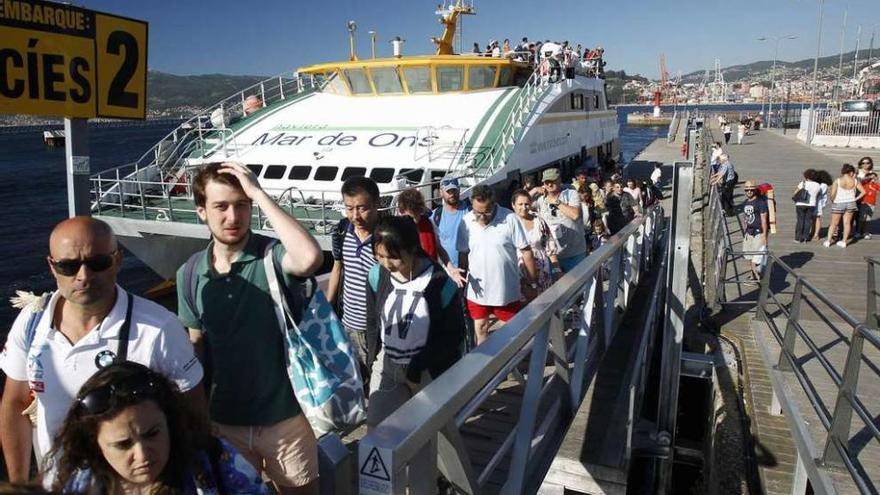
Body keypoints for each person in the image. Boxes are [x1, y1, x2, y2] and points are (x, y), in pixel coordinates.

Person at [1, 217, 205, 484]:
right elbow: (16, 403)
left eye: (97, 263)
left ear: (118, 260)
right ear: (52, 267)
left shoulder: (158, 329)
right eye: (68, 266)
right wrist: (20, 484)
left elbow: (193, 413)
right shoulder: (31, 322)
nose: (83, 276)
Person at [176, 162, 323, 494]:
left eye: (241, 205)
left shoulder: (270, 256)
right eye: (221, 206)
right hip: (224, 423)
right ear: (201, 211)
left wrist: (258, 190)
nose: (233, 216)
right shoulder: (189, 274)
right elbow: (196, 348)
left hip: (287, 420)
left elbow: (310, 257)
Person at [49, 362, 268, 495]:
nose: (142, 454)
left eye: (152, 434)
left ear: (170, 422)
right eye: (123, 444)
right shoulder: (77, 487)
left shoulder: (217, 462)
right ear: (94, 443)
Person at [364, 217, 465, 428]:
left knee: (428, 433)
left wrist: (419, 364)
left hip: (428, 370)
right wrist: (372, 358)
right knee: (377, 427)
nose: (385, 263)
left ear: (412, 249)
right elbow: (373, 321)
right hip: (388, 363)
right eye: (379, 256)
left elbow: (454, 335)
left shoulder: (441, 284)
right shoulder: (376, 275)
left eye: (393, 257)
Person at [457, 185, 538, 345]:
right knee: (480, 328)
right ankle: (485, 365)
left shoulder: (510, 218)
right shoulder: (466, 221)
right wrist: (461, 283)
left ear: (494, 204)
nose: (481, 216)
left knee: (513, 332)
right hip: (477, 291)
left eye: (485, 212)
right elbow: (463, 254)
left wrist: (531, 281)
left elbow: (526, 251)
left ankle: (513, 365)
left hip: (506, 291)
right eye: (477, 212)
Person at [328, 176, 381, 374]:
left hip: (374, 327)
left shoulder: (384, 237)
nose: (355, 215)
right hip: (346, 322)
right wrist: (328, 307)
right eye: (349, 208)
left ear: (377, 204)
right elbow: (337, 268)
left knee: (373, 377)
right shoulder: (342, 231)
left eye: (362, 208)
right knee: (349, 376)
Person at [396, 188, 466, 286]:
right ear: (401, 212)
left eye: (418, 214)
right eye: (411, 217)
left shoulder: (429, 223)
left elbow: (439, 248)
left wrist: (451, 269)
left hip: (432, 279)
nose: (416, 220)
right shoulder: (395, 232)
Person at [535, 168, 587, 273]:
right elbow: (520, 207)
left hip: (574, 254)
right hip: (553, 257)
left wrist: (556, 202)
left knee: (579, 287)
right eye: (546, 182)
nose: (549, 185)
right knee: (558, 288)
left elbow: (575, 215)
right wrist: (535, 190)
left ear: (559, 180)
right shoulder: (540, 200)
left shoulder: (571, 194)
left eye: (552, 181)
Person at [511, 190, 560, 294]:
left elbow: (549, 245)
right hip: (519, 275)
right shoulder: (508, 225)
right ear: (513, 205)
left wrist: (556, 269)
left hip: (542, 272)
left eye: (526, 204)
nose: (524, 207)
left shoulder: (539, 221)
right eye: (520, 204)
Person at [823, 163, 864, 248]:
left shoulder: (838, 181)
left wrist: (833, 200)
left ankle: (828, 241)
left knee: (834, 223)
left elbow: (832, 194)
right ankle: (844, 242)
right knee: (847, 223)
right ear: (851, 172)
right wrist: (855, 199)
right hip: (851, 203)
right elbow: (863, 192)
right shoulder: (855, 181)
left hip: (839, 203)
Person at [432, 178, 470, 268]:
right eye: (448, 191)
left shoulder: (470, 211)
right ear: (441, 193)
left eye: (454, 190)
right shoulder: (435, 216)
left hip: (470, 269)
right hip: (448, 271)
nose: (452, 194)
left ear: (459, 190)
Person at [741, 181, 769, 280]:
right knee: (749, 256)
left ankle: (756, 278)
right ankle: (753, 275)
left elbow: (763, 220)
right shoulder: (745, 202)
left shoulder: (760, 203)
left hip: (758, 232)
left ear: (755, 190)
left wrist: (764, 236)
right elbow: (745, 217)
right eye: (747, 190)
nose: (749, 192)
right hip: (748, 232)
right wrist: (745, 231)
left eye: (751, 190)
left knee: (756, 258)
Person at [793, 169, 822, 242]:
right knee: (808, 221)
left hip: (800, 204)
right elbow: (818, 194)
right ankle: (805, 237)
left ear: (806, 176)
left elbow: (795, 192)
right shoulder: (818, 185)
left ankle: (798, 238)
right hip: (811, 204)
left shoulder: (803, 183)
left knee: (800, 220)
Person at [856, 158, 876, 239]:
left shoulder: (872, 173)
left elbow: (875, 185)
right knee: (858, 216)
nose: (865, 164)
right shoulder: (858, 171)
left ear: (870, 164)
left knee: (867, 217)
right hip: (857, 196)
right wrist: (865, 179)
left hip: (869, 198)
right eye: (863, 163)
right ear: (860, 164)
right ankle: (857, 231)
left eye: (867, 163)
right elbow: (855, 181)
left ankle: (865, 232)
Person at [812, 169, 833, 241]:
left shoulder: (823, 185)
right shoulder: (822, 184)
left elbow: (818, 193)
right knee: (814, 218)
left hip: (818, 203)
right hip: (816, 202)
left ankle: (816, 234)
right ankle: (813, 232)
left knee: (817, 218)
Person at [857, 171, 879, 240]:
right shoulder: (864, 184)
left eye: (875, 177)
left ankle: (865, 232)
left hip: (872, 204)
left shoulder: (876, 185)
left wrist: (874, 182)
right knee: (861, 219)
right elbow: (860, 180)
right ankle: (858, 232)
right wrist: (869, 177)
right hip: (864, 203)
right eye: (872, 177)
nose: (873, 179)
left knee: (868, 219)